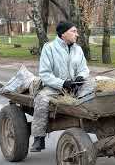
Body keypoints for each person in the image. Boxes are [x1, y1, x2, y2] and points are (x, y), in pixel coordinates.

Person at [29, 21, 90, 152]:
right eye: (73, 31)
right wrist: (62, 83)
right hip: (54, 87)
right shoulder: (49, 48)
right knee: (42, 100)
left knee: (95, 92)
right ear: (63, 34)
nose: (77, 34)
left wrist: (80, 78)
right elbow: (45, 74)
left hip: (75, 87)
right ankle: (38, 138)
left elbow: (84, 69)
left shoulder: (77, 49)